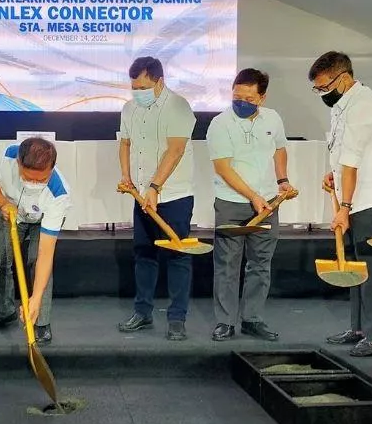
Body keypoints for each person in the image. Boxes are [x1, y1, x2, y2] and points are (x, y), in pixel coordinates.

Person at [309, 51, 372, 357]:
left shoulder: (363, 106)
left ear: (344, 78)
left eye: (324, 87)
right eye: (318, 89)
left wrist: (344, 208)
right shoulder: (343, 104)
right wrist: (333, 175)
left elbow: (352, 164)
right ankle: (359, 327)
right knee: (353, 262)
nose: (322, 93)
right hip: (356, 193)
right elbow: (345, 155)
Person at [206, 68, 292, 342]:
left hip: (268, 203)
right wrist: (252, 196)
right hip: (232, 203)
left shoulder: (273, 118)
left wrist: (282, 180)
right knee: (227, 264)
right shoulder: (220, 124)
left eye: (248, 97)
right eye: (236, 96)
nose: (240, 102)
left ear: (262, 98)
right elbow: (223, 168)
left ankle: (252, 319)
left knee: (260, 263)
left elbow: (279, 149)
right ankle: (225, 322)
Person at [117, 56, 197, 341]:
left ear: (159, 81)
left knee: (177, 255)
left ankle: (177, 319)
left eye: (142, 87)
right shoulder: (129, 109)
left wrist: (154, 186)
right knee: (144, 254)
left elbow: (174, 150)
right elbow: (125, 143)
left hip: (173, 196)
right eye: (133, 87)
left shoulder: (178, 106)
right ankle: (142, 313)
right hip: (141, 195)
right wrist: (126, 176)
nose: (136, 92)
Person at [0, 137, 72, 344]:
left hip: (43, 219)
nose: (35, 184)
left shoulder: (59, 194)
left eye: (41, 180)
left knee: (37, 263)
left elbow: (46, 255)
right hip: (11, 212)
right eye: (29, 178)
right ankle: (5, 312)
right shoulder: (4, 159)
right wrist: (2, 203)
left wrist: (34, 298)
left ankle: (41, 321)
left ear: (52, 168)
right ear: (19, 163)